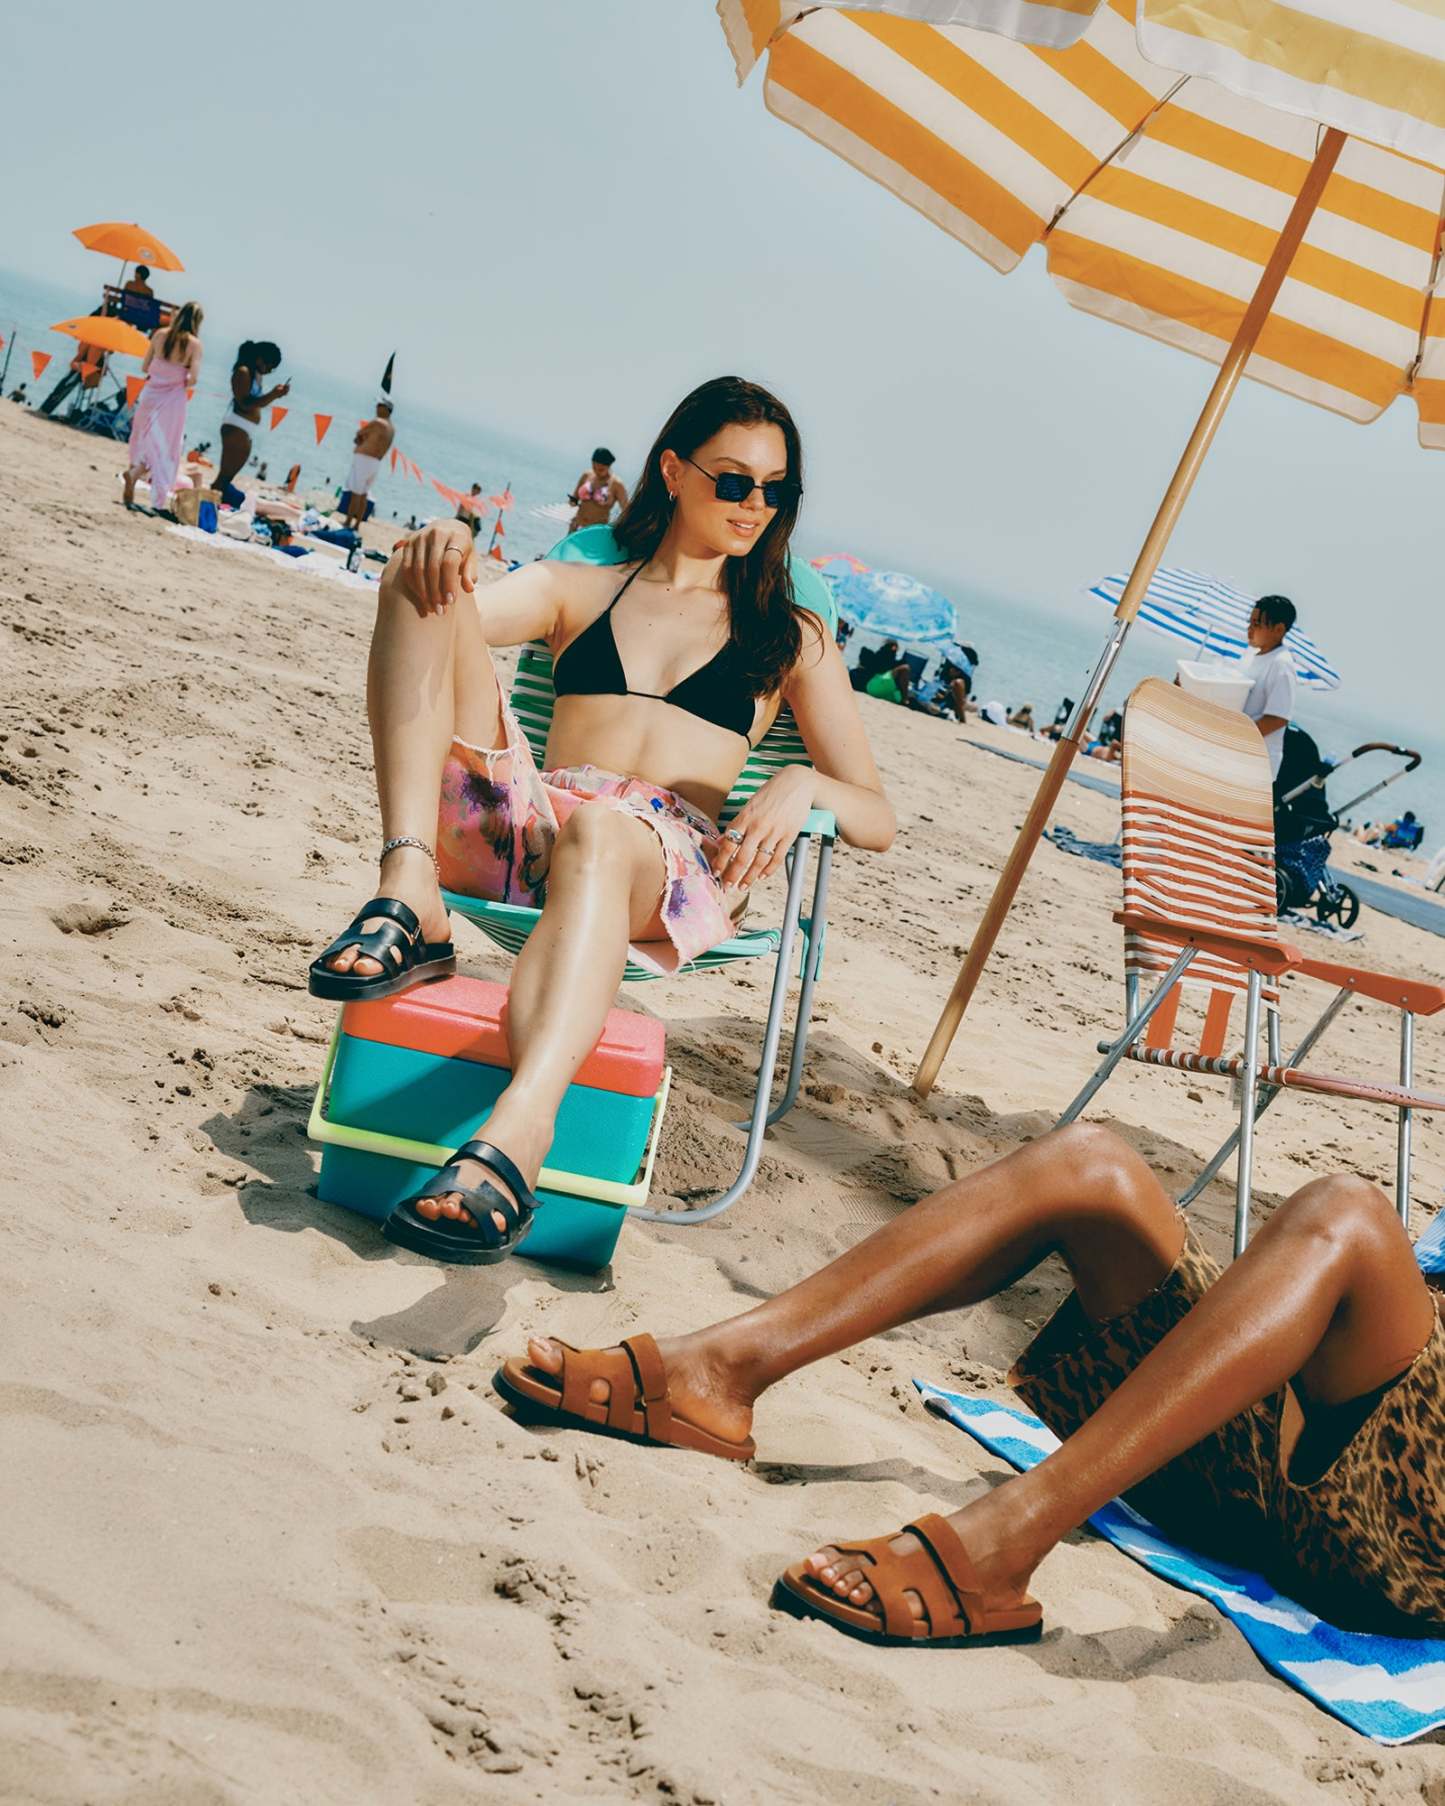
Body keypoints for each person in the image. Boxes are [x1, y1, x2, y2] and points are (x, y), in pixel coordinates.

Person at [308, 376, 895, 1263]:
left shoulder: (789, 634)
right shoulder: (578, 586)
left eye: (777, 490)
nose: (756, 505)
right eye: (735, 481)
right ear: (675, 471)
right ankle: (408, 885)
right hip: (534, 830)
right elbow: (449, 612)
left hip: (668, 863)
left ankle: (520, 1129)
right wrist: (447, 541)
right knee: (412, 579)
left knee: (605, 831)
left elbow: (877, 816)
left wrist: (805, 781)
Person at [497, 1122, 1445, 1642]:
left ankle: (1005, 1541)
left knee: (1347, 1213)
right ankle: (720, 1372)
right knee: (1094, 1166)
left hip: (1400, 1543)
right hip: (1247, 1463)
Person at [123, 301, 204, 512]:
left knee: (143, 441)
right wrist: (180, 376)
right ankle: (157, 500)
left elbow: (145, 366)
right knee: (167, 448)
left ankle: (134, 473)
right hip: (171, 400)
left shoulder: (159, 334)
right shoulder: (194, 344)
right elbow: (193, 379)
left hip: (150, 394)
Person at [215, 341, 288, 507]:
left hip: (244, 429)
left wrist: (275, 395)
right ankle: (208, 504)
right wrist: (273, 395)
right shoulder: (243, 372)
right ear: (260, 359)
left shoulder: (256, 375)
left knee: (228, 477)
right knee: (224, 476)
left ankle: (214, 503)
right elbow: (245, 403)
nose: (269, 371)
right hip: (236, 425)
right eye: (269, 366)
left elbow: (256, 403)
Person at [1238, 594, 1298, 779]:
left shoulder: (1281, 664)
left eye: (1256, 624)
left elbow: (1278, 718)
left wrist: (1237, 738)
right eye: (1249, 623)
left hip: (1256, 765)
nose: (1249, 629)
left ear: (1278, 629)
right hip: (1238, 756)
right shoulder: (1249, 656)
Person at [345, 401, 395, 531]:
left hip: (364, 458)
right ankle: (357, 525)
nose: (376, 408)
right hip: (375, 462)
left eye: (379, 406)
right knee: (363, 494)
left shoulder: (378, 422)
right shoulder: (391, 429)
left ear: (385, 409)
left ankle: (348, 522)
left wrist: (360, 439)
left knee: (356, 493)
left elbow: (360, 433)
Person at [569, 448, 627, 531]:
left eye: (601, 470)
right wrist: (572, 502)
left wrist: (616, 528)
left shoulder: (616, 484)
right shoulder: (586, 475)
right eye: (594, 467)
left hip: (596, 531)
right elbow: (574, 498)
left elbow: (626, 510)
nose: (596, 471)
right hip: (576, 526)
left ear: (608, 466)